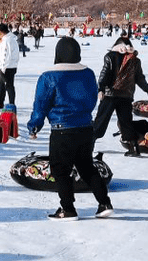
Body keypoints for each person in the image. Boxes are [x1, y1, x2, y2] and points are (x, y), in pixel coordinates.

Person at [27, 37, 113, 221]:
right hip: (85, 128)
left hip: (62, 130)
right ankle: (104, 203)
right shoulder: (88, 73)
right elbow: (92, 100)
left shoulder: (49, 77)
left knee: (60, 170)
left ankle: (68, 209)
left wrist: (34, 126)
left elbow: (40, 105)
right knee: (87, 167)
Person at [92, 37, 148, 156]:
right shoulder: (135, 60)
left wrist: (101, 88)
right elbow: (139, 77)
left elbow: (105, 73)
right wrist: (146, 87)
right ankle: (134, 148)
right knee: (126, 122)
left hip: (110, 94)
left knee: (101, 121)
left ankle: (88, 145)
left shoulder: (110, 56)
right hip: (126, 95)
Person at [0, 23, 20, 109]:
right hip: (11, 66)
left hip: (7, 67)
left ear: (0, 32)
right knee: (1, 85)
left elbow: (5, 55)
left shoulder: (6, 41)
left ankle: (11, 104)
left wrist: (3, 67)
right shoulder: (11, 39)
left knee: (9, 86)